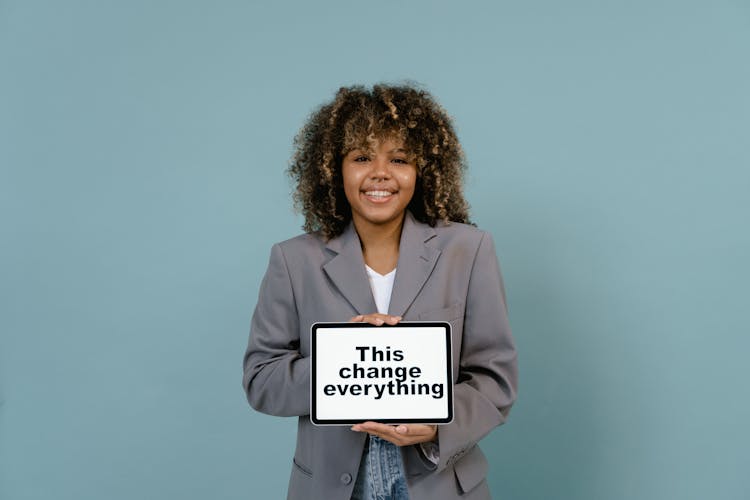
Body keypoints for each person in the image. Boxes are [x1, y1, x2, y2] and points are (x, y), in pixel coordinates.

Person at [242, 83, 518, 500]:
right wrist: (342, 363)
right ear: (334, 169)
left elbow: (495, 379)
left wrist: (438, 427)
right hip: (332, 484)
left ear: (422, 170)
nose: (380, 173)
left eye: (400, 159)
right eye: (361, 157)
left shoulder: (469, 250)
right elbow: (262, 380)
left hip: (437, 480)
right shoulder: (292, 260)